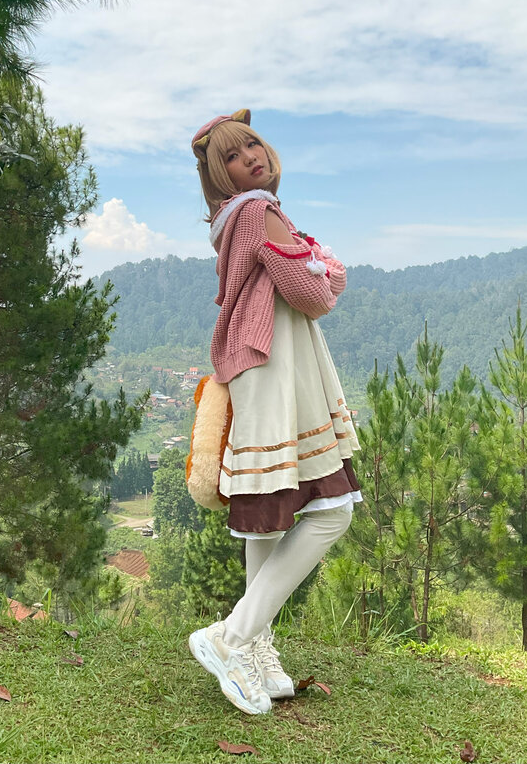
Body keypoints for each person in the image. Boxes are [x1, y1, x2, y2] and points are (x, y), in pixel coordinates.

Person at [187, 109, 362, 716]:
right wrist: (326, 267)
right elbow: (315, 294)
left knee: (265, 518)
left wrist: (313, 267)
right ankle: (231, 638)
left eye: (252, 144)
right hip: (274, 364)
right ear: (221, 174)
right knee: (332, 511)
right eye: (232, 156)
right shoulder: (259, 210)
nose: (251, 158)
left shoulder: (231, 217)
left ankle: (256, 650)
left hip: (261, 366)